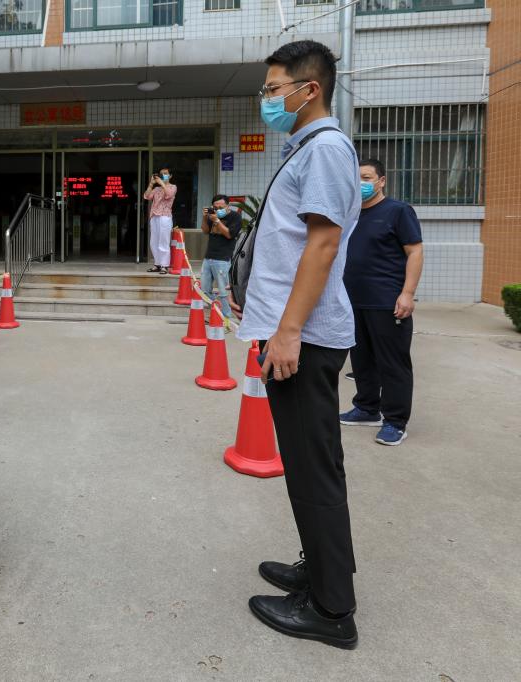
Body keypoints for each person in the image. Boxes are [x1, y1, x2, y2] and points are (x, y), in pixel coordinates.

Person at [229, 40, 362, 649]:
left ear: (309, 90)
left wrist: (287, 332)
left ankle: (332, 611)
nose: (266, 99)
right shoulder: (307, 147)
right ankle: (321, 569)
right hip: (289, 330)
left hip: (302, 338)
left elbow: (323, 245)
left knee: (314, 468)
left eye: (273, 89)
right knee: (309, 463)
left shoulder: (327, 149)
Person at [340, 159, 423, 446]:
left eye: (366, 177)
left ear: (381, 181)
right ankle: (366, 408)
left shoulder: (398, 211)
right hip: (354, 301)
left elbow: (415, 252)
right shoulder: (351, 214)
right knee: (361, 360)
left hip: (387, 302)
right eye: (357, 178)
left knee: (392, 363)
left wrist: (407, 293)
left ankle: (395, 421)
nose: (361, 183)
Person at [200, 194, 241, 319]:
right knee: (205, 290)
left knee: (223, 291)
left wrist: (217, 221)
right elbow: (205, 231)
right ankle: (217, 312)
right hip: (208, 257)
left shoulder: (235, 217)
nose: (218, 210)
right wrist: (205, 217)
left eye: (221, 207)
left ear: (228, 206)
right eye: (215, 207)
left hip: (223, 258)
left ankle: (226, 317)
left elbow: (229, 234)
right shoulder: (211, 215)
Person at [143, 167, 177, 273]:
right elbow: (147, 196)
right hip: (154, 216)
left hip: (165, 216)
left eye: (165, 173)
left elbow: (169, 195)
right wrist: (151, 184)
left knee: (163, 241)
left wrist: (162, 183)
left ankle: (164, 265)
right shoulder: (156, 189)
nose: (163, 175)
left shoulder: (173, 187)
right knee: (154, 242)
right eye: (161, 174)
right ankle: (157, 263)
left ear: (170, 176)